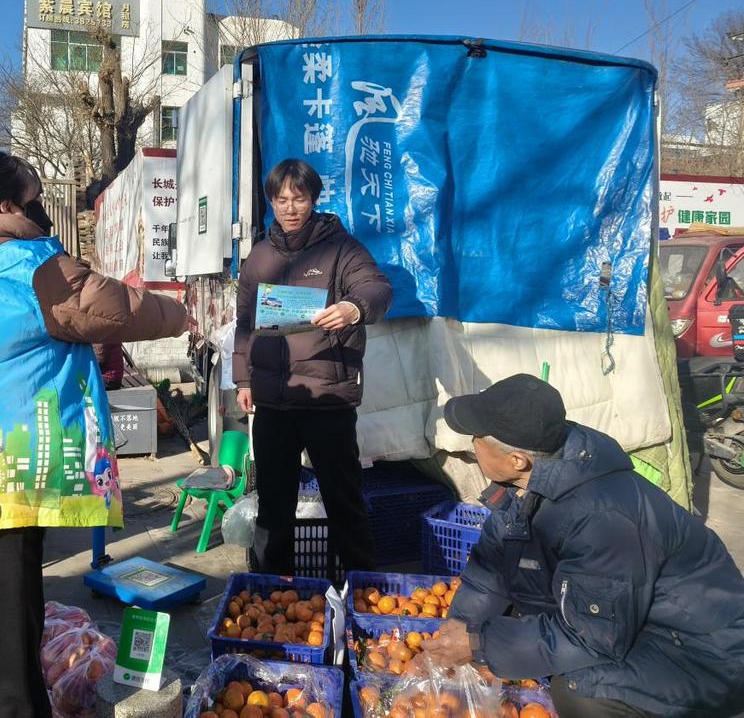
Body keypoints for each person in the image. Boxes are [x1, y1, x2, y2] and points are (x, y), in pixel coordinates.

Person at [0, 151, 186, 717]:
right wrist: (181, 314)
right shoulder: (30, 265)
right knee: (1, 666)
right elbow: (117, 309)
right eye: (37, 198)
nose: (44, 212)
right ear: (9, 208)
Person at [422, 373, 744, 718]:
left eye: (477, 438)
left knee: (580, 688)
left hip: (701, 656)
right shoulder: (523, 488)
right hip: (636, 623)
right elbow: (490, 570)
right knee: (522, 634)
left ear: (517, 459)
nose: (472, 444)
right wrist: (460, 626)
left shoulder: (603, 519)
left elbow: (593, 636)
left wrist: (479, 644)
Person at [233, 158, 392, 575]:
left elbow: (376, 288)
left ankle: (362, 588)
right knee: (273, 506)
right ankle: (270, 589)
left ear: (314, 200)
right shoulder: (258, 257)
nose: (290, 207)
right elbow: (244, 324)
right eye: (281, 199)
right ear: (271, 201)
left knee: (345, 503)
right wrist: (242, 379)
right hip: (272, 403)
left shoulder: (342, 249)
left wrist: (353, 308)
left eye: (299, 198)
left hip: (327, 399)